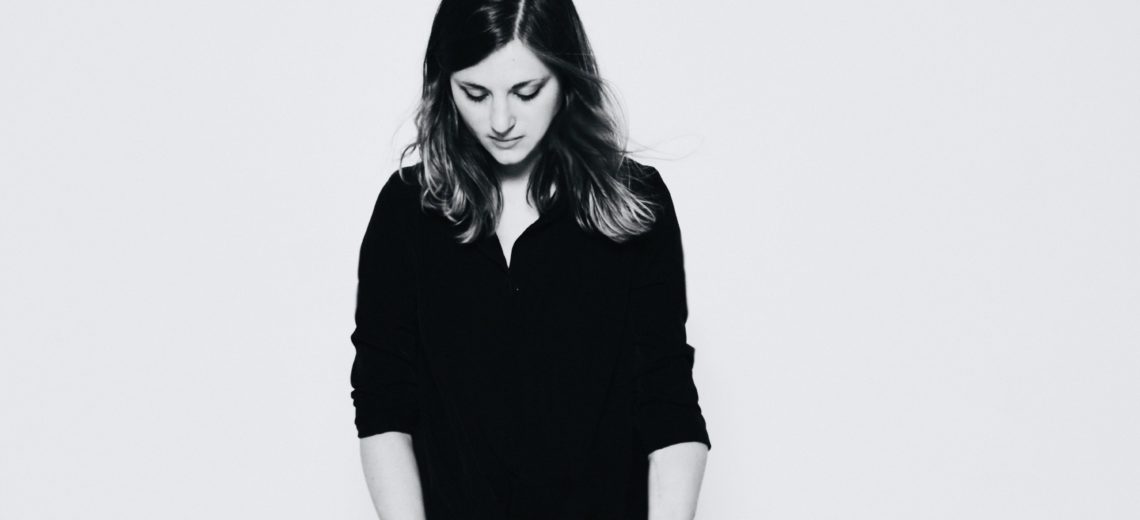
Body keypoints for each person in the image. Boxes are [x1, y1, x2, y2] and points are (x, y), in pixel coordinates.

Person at [350, 1, 711, 518]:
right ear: (443, 85)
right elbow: (383, 401)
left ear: (566, 79)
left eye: (526, 91)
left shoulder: (636, 202)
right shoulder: (408, 211)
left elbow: (668, 402)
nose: (500, 121)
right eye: (475, 93)